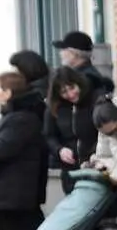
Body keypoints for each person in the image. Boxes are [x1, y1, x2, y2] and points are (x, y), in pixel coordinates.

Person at [0, 71, 47, 230]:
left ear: (8, 92)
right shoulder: (13, 115)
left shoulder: (23, 118)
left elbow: (4, 148)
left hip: (18, 186)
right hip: (9, 186)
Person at [44, 67, 106, 195]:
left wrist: (96, 154)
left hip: (96, 163)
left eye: (72, 88)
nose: (71, 95)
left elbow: (105, 131)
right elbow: (49, 135)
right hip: (70, 168)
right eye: (64, 92)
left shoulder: (96, 98)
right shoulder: (55, 107)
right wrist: (59, 150)